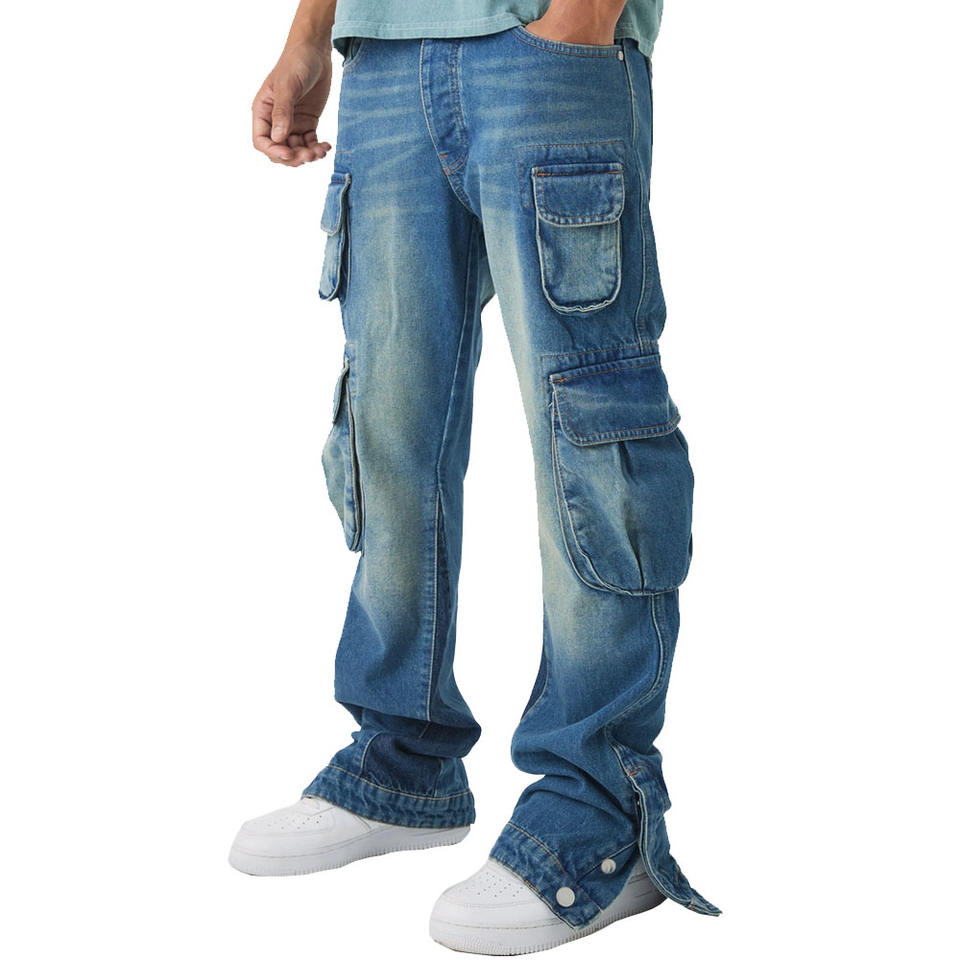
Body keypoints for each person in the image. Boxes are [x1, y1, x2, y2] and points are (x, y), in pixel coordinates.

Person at [230, 0, 719, 952]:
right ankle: (401, 762)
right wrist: (309, 37)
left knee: (591, 422)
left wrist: (582, 15)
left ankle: (599, 808)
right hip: (383, 59)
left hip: (545, 48)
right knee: (385, 422)